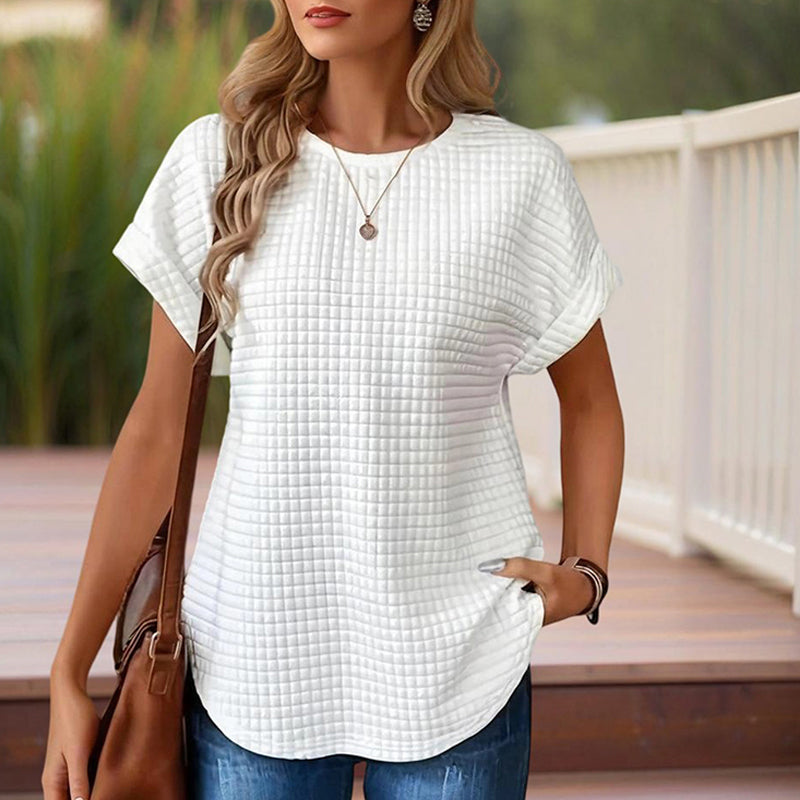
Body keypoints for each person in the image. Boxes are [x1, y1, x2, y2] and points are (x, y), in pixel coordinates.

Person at [42, 1, 625, 798]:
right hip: (251, 657)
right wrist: (68, 668)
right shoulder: (216, 159)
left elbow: (590, 403)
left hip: (460, 658)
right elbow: (155, 430)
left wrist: (585, 572)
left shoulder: (519, 176)